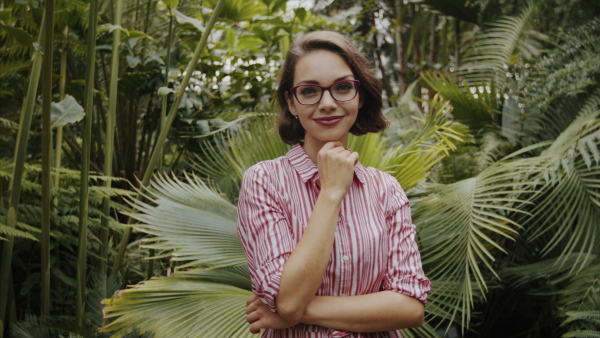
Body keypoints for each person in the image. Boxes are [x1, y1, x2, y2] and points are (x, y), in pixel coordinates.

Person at [236, 30, 431, 337]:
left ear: (360, 95)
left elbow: (410, 307)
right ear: (291, 102)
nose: (327, 103)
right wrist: (330, 193)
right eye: (310, 91)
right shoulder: (264, 181)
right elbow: (286, 299)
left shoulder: (386, 189)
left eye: (342, 87)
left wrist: (295, 310)